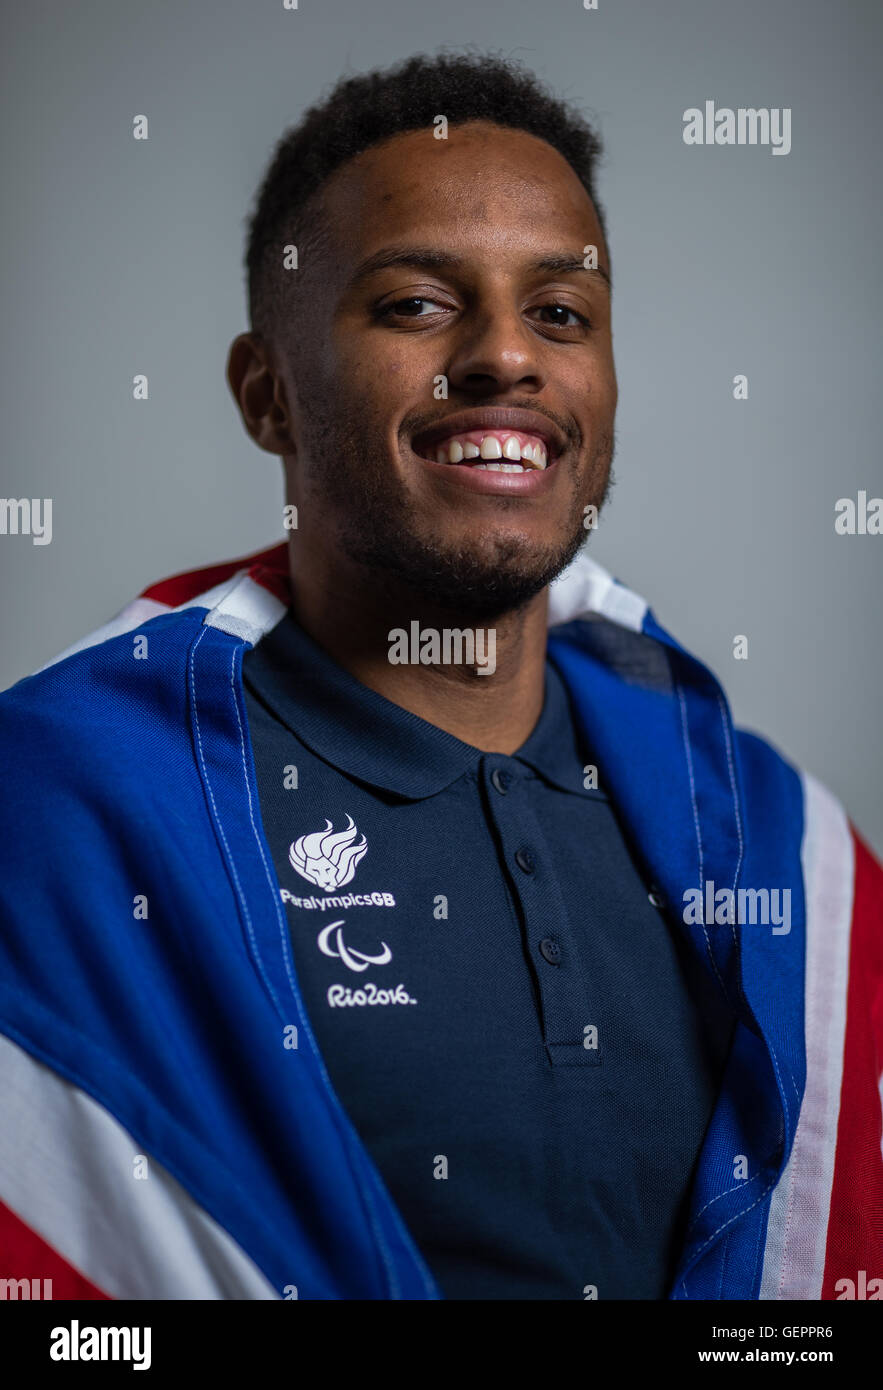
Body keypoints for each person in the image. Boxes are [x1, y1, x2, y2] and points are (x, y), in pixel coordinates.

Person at [0, 52, 880, 1302]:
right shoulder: (56, 809)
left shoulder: (781, 845)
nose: (505, 359)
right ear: (268, 397)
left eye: (561, 314)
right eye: (417, 304)